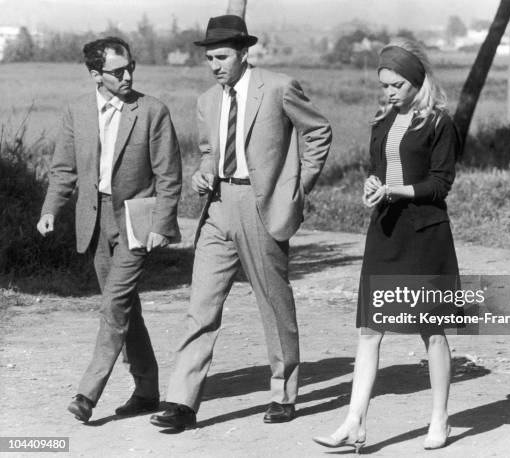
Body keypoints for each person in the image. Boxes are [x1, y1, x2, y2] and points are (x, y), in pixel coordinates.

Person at [150, 15, 332, 430]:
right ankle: (181, 402)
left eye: (222, 57)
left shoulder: (279, 87)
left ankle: (283, 393)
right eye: (209, 58)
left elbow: (318, 131)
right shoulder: (207, 100)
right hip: (217, 208)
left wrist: (297, 187)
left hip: (261, 205)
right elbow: (210, 151)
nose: (214, 65)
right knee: (201, 307)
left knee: (273, 304)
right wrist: (203, 171)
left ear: (244, 53)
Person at [313, 40, 461, 452]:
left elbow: (440, 183)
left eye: (396, 85)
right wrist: (374, 186)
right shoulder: (382, 120)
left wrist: (395, 189)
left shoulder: (438, 123)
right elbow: (377, 170)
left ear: (417, 80)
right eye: (384, 85)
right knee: (369, 329)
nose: (389, 93)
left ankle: (440, 418)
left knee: (430, 330)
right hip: (386, 231)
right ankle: (353, 422)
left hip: (425, 234)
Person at [37, 36, 182, 422]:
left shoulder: (153, 111)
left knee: (113, 304)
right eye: (118, 71)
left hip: (137, 221)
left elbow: (169, 176)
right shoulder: (77, 111)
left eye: (131, 66)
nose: (128, 75)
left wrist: (162, 224)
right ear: (95, 75)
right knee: (126, 308)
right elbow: (64, 169)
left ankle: (87, 393)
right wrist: (51, 208)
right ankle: (148, 389)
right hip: (94, 219)